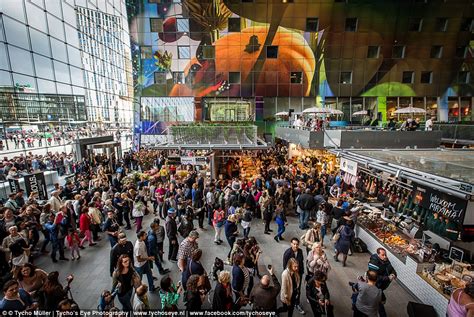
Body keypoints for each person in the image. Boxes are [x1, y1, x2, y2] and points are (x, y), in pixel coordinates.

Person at [368, 248, 397, 317]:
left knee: (380, 299)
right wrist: (388, 278)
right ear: (378, 255)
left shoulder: (385, 259)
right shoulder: (373, 263)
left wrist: (393, 274)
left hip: (382, 285)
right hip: (375, 285)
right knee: (381, 300)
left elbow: (391, 268)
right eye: (383, 255)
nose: (385, 256)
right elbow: (375, 277)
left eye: (385, 254)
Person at [282, 238, 305, 314]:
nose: (295, 246)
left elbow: (301, 262)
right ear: (291, 244)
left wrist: (301, 272)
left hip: (298, 274)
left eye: (297, 244)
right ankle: (289, 302)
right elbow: (285, 265)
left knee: (298, 289)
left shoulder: (300, 251)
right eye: (294, 244)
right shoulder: (287, 253)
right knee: (290, 288)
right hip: (291, 275)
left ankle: (297, 303)